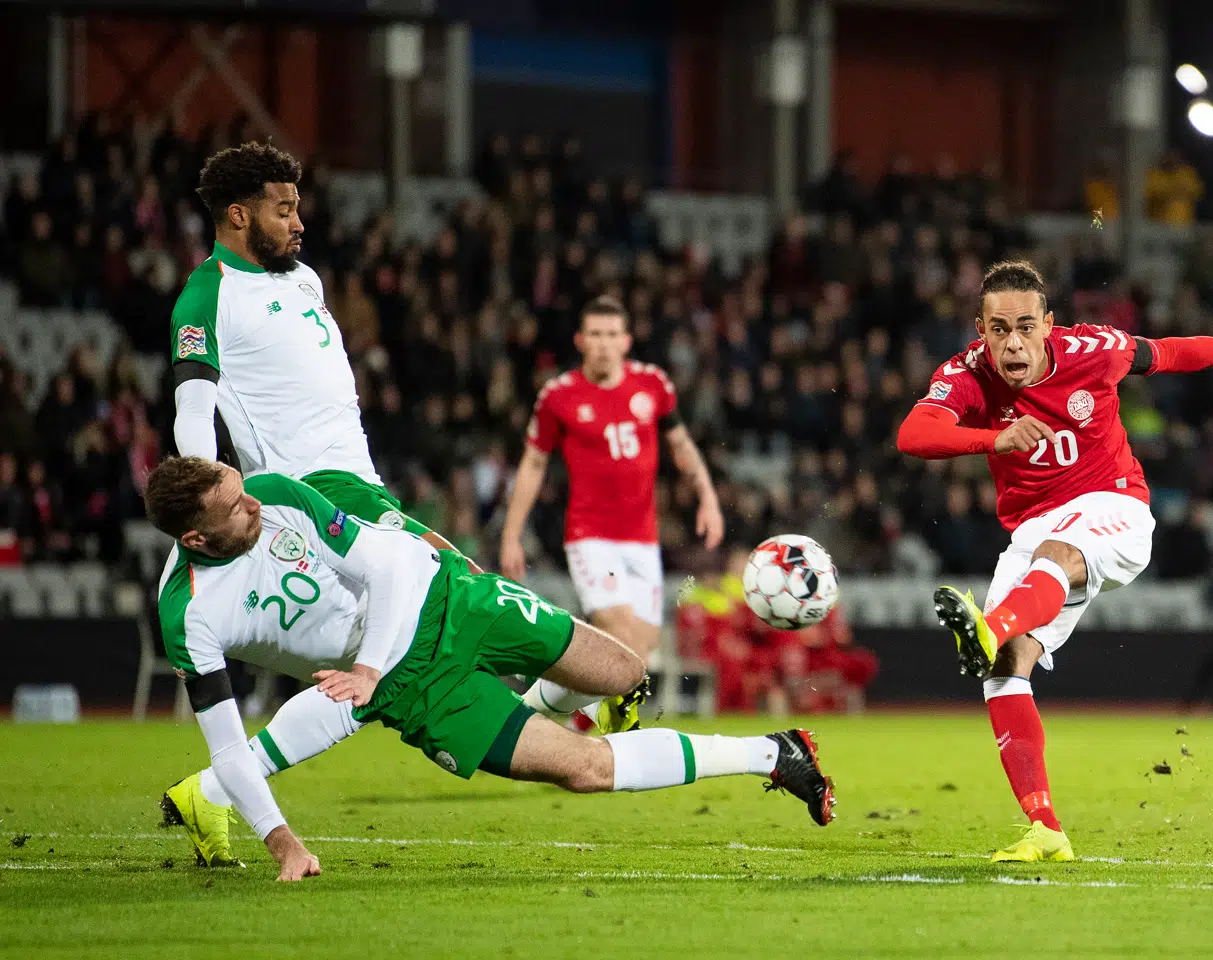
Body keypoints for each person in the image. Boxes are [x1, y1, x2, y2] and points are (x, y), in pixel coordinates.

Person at [147, 457, 834, 880]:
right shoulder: (191, 616)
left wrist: (367, 666)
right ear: (196, 537)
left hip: (446, 594)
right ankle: (774, 753)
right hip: (418, 688)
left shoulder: (274, 492)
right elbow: (227, 750)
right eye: (235, 507)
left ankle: (532, 711)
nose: (254, 503)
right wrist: (284, 845)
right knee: (584, 770)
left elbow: (384, 565)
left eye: (242, 488)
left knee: (626, 670)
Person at [895, 260, 1213, 863]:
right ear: (981, 330)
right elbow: (913, 434)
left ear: (1048, 324)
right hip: (1033, 529)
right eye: (999, 329)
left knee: (1053, 562)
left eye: (1026, 327)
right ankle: (1045, 829)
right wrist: (993, 438)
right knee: (1004, 671)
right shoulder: (966, 373)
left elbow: (1172, 353)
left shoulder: (1093, 349)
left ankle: (990, 627)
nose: (1013, 343)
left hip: (1113, 507)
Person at [168, 141, 477, 571]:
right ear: (239, 216)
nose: (298, 224)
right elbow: (194, 412)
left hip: (360, 481)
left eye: (296, 210)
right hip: (308, 489)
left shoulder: (304, 276)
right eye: (283, 213)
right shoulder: (207, 296)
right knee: (457, 575)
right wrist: (211, 498)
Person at [500, 296, 724, 732]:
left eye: (611, 335)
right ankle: (610, 734)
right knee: (619, 630)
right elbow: (533, 464)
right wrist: (512, 535)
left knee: (640, 652)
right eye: (595, 335)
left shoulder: (653, 385)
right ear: (580, 341)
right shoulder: (559, 396)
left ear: (626, 340)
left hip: (642, 538)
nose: (603, 344)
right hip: (590, 537)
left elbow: (681, 445)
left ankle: (543, 714)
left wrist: (708, 497)